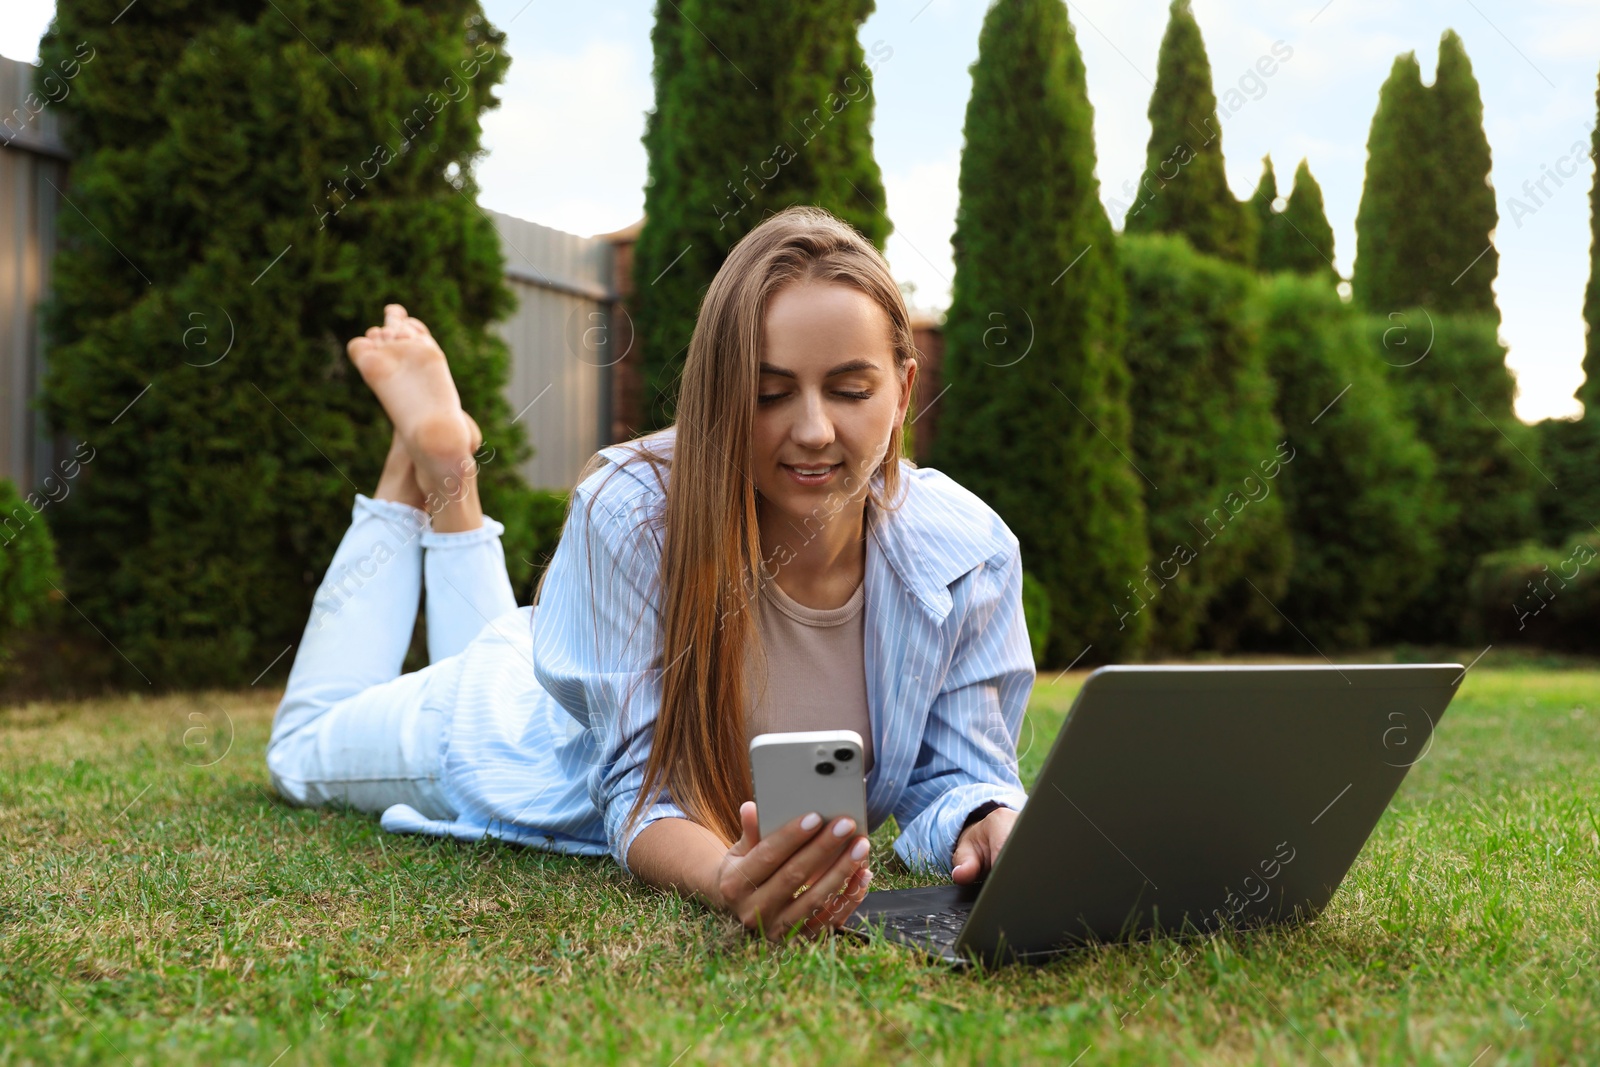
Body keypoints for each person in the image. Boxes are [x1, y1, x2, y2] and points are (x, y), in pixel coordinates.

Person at [266, 204, 1034, 943]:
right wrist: (728, 875)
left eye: (850, 390)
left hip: (559, 655)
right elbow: (638, 788)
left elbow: (956, 771)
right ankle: (418, 475)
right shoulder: (634, 509)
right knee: (297, 750)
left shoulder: (967, 551)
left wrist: (987, 816)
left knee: (488, 639)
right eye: (769, 393)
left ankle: (446, 472)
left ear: (902, 391)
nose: (812, 429)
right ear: (720, 392)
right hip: (497, 729)